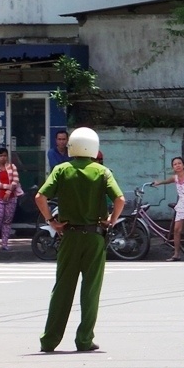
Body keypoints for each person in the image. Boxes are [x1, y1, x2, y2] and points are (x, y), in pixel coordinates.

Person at [36, 127, 125, 352]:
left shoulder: (61, 169)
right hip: (94, 237)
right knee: (90, 291)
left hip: (69, 236)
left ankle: (50, 340)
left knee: (62, 289)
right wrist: (111, 221)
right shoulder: (102, 171)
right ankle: (84, 340)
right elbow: (120, 200)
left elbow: (40, 197)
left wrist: (51, 221)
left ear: (72, 146)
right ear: (94, 148)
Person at [152, 157, 184, 261]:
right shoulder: (175, 178)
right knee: (176, 229)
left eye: (179, 163)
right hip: (182, 202)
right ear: (173, 167)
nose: (177, 165)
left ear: (183, 165)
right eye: (175, 164)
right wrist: (158, 183)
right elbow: (167, 181)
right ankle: (176, 254)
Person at [0, 148, 23, 252]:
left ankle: (5, 244)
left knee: (7, 221)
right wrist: (7, 187)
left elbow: (15, 180)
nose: (3, 158)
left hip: (11, 198)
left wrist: (8, 191)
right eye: (1, 156)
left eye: (5, 156)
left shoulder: (12, 167)